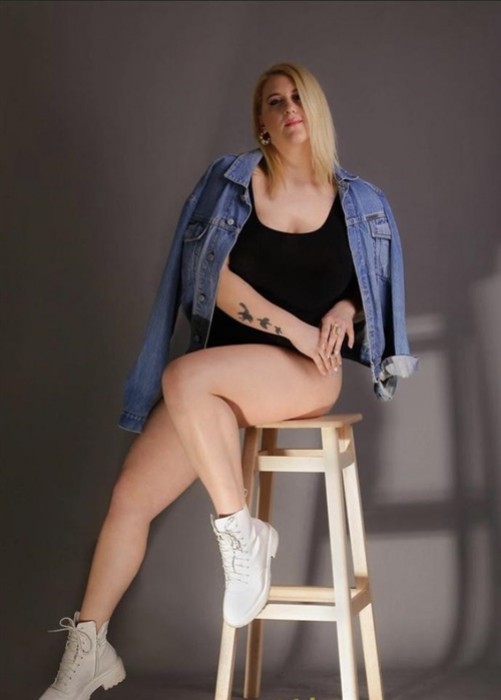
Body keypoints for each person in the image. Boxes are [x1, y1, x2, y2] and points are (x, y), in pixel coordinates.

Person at [39, 61, 417, 699]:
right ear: (261, 122)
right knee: (130, 498)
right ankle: (89, 649)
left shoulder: (361, 203)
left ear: (316, 110)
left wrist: (342, 310)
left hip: (305, 374)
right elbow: (207, 281)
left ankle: (238, 533)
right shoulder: (229, 183)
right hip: (221, 370)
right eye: (275, 101)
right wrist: (296, 327)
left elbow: (371, 294)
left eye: (298, 98)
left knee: (184, 377)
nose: (289, 108)